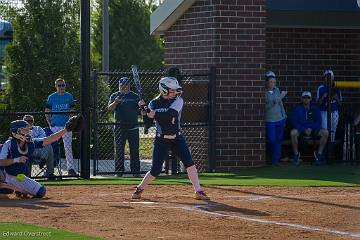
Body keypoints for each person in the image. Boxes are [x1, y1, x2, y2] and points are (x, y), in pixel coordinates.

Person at [131, 77, 210, 200]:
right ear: (163, 90)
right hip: (161, 140)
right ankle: (139, 188)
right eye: (172, 90)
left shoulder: (178, 101)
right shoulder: (154, 103)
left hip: (177, 138)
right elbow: (147, 124)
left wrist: (154, 113)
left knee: (190, 164)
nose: (175, 93)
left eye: (175, 90)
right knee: (156, 170)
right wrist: (143, 110)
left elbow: (170, 116)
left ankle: (198, 191)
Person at [0, 119, 73, 198]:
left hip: (18, 176)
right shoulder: (9, 144)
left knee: (41, 191)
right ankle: (6, 185)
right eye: (24, 130)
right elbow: (1, 162)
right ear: (16, 132)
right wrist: (16, 160)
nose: (28, 133)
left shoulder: (30, 143)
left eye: (28, 130)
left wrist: (66, 130)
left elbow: (49, 139)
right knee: (5, 192)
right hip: (5, 174)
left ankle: (14, 187)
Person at [108, 77, 142, 177]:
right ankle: (119, 172)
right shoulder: (114, 95)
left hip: (133, 127)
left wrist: (142, 106)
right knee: (119, 151)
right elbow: (109, 109)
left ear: (129, 85)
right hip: (119, 128)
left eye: (126, 85)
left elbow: (141, 112)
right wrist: (115, 103)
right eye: (122, 85)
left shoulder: (135, 96)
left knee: (134, 151)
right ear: (119, 85)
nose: (124, 87)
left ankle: (136, 172)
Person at [45, 78, 77, 176]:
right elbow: (47, 111)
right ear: (56, 86)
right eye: (59, 85)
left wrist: (70, 123)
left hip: (66, 127)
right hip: (54, 126)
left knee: (68, 148)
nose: (61, 87)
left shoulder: (69, 96)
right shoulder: (51, 97)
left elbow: (72, 110)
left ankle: (70, 169)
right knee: (51, 147)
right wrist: (50, 123)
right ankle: (50, 170)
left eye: (63, 85)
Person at [290, 91, 329, 165]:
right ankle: (296, 155)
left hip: (313, 129)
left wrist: (310, 128)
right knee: (293, 133)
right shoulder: (297, 108)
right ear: (301, 99)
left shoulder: (315, 108)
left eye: (308, 97)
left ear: (311, 99)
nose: (306, 99)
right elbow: (294, 122)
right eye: (304, 97)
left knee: (325, 132)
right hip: (301, 129)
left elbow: (318, 122)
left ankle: (319, 154)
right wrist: (303, 129)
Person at [264, 71, 287, 165]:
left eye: (274, 82)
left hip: (280, 119)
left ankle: (275, 160)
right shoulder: (264, 93)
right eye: (271, 82)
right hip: (270, 120)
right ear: (266, 82)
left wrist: (284, 115)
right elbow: (266, 107)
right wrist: (278, 99)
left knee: (279, 140)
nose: (273, 84)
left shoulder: (277, 90)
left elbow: (280, 104)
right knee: (271, 140)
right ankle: (269, 157)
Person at [23, 115, 55, 179]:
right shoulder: (22, 130)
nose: (29, 122)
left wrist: (32, 139)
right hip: (29, 151)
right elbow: (25, 141)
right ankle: (42, 161)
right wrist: (37, 140)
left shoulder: (38, 128)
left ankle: (50, 173)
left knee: (49, 145)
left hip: (40, 150)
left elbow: (44, 138)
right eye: (27, 121)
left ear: (33, 122)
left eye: (31, 121)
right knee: (46, 146)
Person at [316, 70, 342, 142]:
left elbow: (340, 104)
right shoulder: (321, 88)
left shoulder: (337, 87)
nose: (328, 79)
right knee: (325, 131)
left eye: (330, 77)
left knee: (333, 131)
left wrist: (336, 98)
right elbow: (317, 103)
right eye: (326, 77)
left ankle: (331, 150)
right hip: (324, 112)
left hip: (334, 112)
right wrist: (323, 97)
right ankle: (325, 151)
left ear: (333, 78)